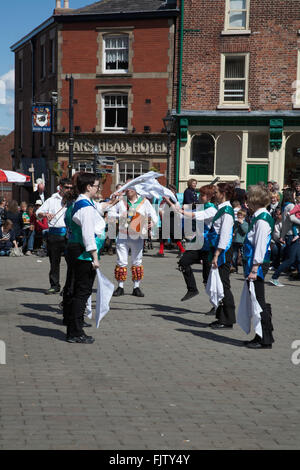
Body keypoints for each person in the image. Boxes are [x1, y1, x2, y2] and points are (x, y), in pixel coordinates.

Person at [64, 172, 106, 344]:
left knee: (76, 289)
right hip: (83, 252)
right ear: (88, 187)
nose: (98, 188)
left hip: (76, 249)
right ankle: (75, 331)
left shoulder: (82, 203)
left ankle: (73, 326)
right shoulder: (85, 207)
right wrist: (94, 257)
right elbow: (88, 235)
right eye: (96, 186)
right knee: (82, 292)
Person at [109, 183, 158, 297]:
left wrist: (152, 223)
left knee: (137, 260)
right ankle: (120, 287)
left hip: (138, 235)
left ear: (136, 190)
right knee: (121, 261)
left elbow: (154, 215)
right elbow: (111, 212)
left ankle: (136, 287)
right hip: (122, 234)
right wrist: (121, 216)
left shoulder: (144, 202)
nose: (129, 190)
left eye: (132, 188)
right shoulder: (121, 201)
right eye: (128, 188)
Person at [242, 185, 275, 349]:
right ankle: (261, 335)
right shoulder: (259, 216)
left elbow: (261, 245)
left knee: (258, 301)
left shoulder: (262, 219)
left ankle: (265, 338)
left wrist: (255, 268)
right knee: (256, 300)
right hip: (255, 263)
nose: (246, 202)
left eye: (248, 198)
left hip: (258, 264)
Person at [175, 184, 217, 301]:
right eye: (200, 194)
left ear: (209, 197)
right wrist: (173, 204)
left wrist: (181, 211)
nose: (200, 196)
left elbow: (194, 215)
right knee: (183, 263)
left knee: (207, 278)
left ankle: (217, 304)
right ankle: (192, 289)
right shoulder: (202, 207)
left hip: (208, 245)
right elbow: (189, 214)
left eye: (202, 195)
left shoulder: (212, 209)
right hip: (198, 243)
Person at [207, 182, 236, 330]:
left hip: (223, 251)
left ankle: (228, 319)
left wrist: (217, 254)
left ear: (223, 194)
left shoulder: (227, 211)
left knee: (224, 284)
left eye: (216, 192)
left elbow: (225, 235)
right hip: (218, 249)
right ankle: (221, 317)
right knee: (220, 283)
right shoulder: (221, 209)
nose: (214, 194)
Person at [36, 178, 72, 294]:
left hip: (68, 235)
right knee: (54, 263)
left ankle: (69, 287)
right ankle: (54, 285)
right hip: (54, 235)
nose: (69, 190)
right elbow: (38, 213)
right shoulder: (51, 200)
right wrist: (46, 214)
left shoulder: (72, 200)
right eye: (67, 187)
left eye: (71, 188)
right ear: (60, 187)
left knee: (71, 263)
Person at [269, 189, 300, 286]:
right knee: (290, 259)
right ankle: (274, 277)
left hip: (289, 234)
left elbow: (285, 223)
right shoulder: (291, 206)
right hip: (292, 234)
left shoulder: (285, 206)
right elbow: (291, 219)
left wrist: (282, 236)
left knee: (298, 258)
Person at [156, 184, 185, 257]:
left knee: (174, 236)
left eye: (171, 190)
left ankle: (182, 251)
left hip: (173, 219)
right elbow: (161, 208)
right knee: (163, 236)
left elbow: (175, 209)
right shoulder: (165, 199)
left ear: (174, 191)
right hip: (166, 218)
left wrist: (167, 200)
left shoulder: (174, 199)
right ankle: (161, 252)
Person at [231, 209, 248, 274]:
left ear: (244, 216)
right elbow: (233, 229)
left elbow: (245, 231)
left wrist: (242, 224)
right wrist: (232, 233)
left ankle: (245, 270)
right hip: (235, 241)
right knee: (234, 256)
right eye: (238, 215)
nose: (239, 216)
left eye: (241, 215)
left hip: (242, 242)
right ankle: (235, 268)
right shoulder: (235, 223)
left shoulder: (245, 223)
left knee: (243, 256)